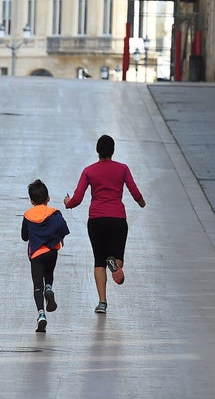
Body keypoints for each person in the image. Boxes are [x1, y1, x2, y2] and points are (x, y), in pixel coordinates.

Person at [62, 134, 146, 315]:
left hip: (97, 221)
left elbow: (77, 199)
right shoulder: (122, 169)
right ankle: (115, 263)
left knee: (99, 261)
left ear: (97, 151)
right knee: (118, 256)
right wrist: (142, 203)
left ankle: (102, 303)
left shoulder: (89, 171)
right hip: (117, 219)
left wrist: (67, 202)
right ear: (113, 151)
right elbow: (135, 191)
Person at [21, 179, 70, 332]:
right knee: (49, 274)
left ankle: (41, 314)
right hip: (52, 252)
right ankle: (49, 287)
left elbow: (24, 236)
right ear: (48, 198)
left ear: (31, 200)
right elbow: (62, 227)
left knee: (37, 285)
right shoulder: (55, 213)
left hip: (36, 253)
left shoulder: (28, 215)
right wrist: (59, 238)